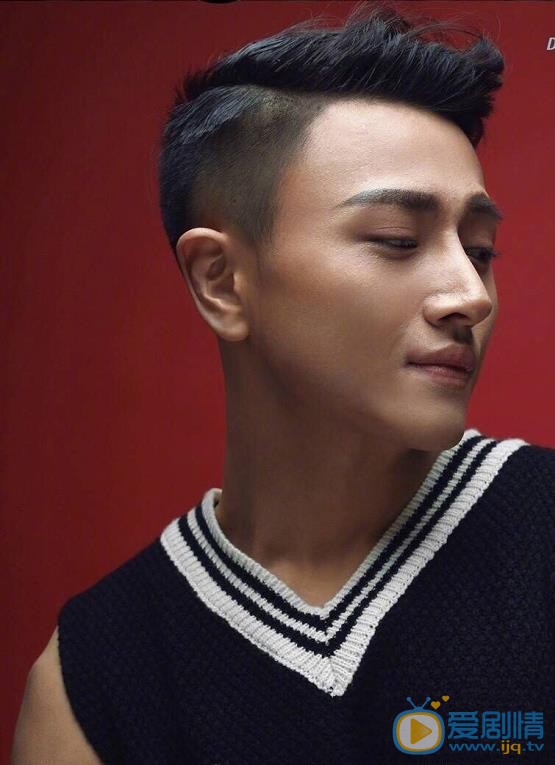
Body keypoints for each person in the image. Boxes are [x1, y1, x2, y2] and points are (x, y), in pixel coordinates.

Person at [12, 2, 555, 763]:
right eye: (397, 239)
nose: (470, 294)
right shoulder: (95, 677)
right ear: (222, 280)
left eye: (480, 249)